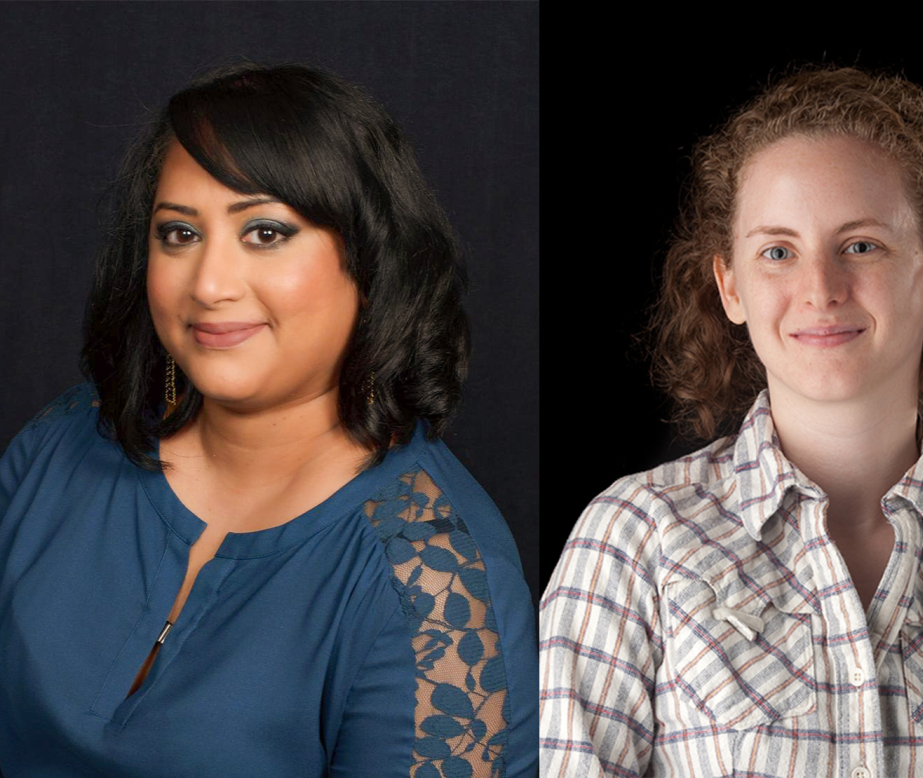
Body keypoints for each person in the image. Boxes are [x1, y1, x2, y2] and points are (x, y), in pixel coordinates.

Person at [0, 61, 537, 777]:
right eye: (178, 234)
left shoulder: (436, 587)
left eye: (264, 232)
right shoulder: (64, 440)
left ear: (371, 259)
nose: (209, 284)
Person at [540, 65, 923, 777]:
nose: (820, 289)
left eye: (861, 245)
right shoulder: (635, 540)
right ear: (731, 285)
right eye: (778, 252)